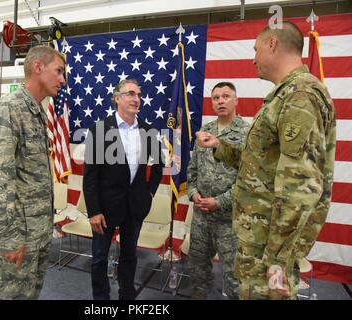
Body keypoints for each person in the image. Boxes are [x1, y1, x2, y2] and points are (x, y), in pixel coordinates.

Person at [196, 21, 336, 300]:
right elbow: (260, 163)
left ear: (272, 44)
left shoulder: (300, 95)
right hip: (258, 238)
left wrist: (278, 260)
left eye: (256, 49)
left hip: (269, 249)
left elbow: (300, 187)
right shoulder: (284, 95)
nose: (253, 58)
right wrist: (220, 147)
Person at [0, 45, 66, 300]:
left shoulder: (36, 111)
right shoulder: (10, 109)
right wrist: (7, 238)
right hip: (17, 237)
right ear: (38, 67)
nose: (63, 79)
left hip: (36, 235)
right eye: (59, 71)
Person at [83, 79, 164, 300]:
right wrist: (93, 211)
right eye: (130, 93)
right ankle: (101, 299)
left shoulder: (148, 131)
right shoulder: (100, 130)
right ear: (117, 98)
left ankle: (127, 297)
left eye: (138, 94)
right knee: (99, 257)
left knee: (129, 256)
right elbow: (90, 176)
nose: (136, 99)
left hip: (135, 207)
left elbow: (158, 165)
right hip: (105, 210)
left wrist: (149, 193)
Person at [187, 82, 249, 300]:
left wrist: (221, 201)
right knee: (196, 265)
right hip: (202, 216)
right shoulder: (206, 132)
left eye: (226, 96)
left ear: (236, 100)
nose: (221, 101)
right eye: (216, 97)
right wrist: (193, 192)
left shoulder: (247, 133)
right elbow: (192, 168)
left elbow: (249, 179)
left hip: (230, 219)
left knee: (234, 274)